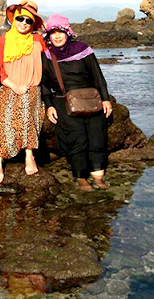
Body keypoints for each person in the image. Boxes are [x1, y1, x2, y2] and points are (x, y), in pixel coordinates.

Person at [41, 13, 113, 191]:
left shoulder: (83, 49)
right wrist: (49, 105)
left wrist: (106, 99)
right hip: (63, 102)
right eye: (53, 32)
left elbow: (98, 75)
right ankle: (80, 176)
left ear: (68, 33)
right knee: (76, 138)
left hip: (90, 99)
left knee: (97, 136)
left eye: (61, 31)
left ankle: (98, 175)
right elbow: (43, 83)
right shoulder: (47, 56)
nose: (57, 36)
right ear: (48, 35)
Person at [0, 0, 46, 184]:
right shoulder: (3, 40)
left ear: (33, 24)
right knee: (4, 119)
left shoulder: (38, 40)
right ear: (14, 20)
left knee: (30, 117)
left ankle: (29, 156)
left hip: (32, 87)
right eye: (20, 18)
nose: (23, 23)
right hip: (8, 85)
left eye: (28, 21)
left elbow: (52, 59)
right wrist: (14, 86)